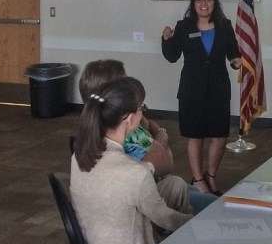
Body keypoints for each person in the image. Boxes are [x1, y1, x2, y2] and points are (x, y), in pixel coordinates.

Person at [70, 76, 193, 244]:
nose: (143, 113)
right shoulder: (134, 174)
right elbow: (166, 218)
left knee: (175, 185)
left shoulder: (79, 157)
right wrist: (197, 221)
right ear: (129, 119)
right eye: (141, 108)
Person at [78, 59, 217, 214]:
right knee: (217, 207)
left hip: (141, 195)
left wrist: (155, 135)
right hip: (150, 200)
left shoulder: (91, 127)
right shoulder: (129, 134)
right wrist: (161, 136)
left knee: (203, 196)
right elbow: (166, 165)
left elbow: (148, 124)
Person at [161, 0, 242, 196]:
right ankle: (197, 179)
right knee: (195, 136)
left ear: (214, 3)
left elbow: (233, 54)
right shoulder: (183, 26)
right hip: (191, 90)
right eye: (199, 0)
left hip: (218, 88)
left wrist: (236, 61)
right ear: (193, 4)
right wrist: (166, 40)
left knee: (220, 136)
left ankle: (211, 176)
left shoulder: (225, 26)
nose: (203, 4)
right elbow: (172, 57)